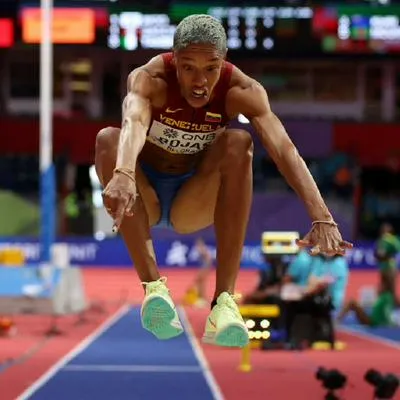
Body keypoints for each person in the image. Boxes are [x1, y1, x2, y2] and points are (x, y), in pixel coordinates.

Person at [96, 14, 352, 348]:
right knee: (108, 140)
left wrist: (322, 216)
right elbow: (132, 120)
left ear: (224, 62)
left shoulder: (241, 90)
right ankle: (154, 289)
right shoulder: (150, 79)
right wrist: (124, 173)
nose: (200, 81)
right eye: (188, 67)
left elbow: (285, 150)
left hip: (193, 197)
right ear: (173, 62)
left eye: (210, 68)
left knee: (238, 143)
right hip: (142, 196)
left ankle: (224, 302)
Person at [183, 237, 214, 307]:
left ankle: (202, 297)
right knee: (199, 282)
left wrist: (205, 270)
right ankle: (201, 297)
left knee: (201, 282)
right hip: (203, 268)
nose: (197, 245)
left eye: (198, 244)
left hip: (205, 268)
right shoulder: (201, 249)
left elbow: (209, 259)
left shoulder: (202, 249)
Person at [375, 222, 400, 305]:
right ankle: (384, 306)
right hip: (384, 267)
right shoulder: (381, 240)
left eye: (385, 228)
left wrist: (385, 256)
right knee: (385, 289)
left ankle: (394, 306)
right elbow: (378, 254)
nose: (383, 230)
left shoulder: (391, 239)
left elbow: (396, 250)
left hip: (390, 267)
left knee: (390, 289)